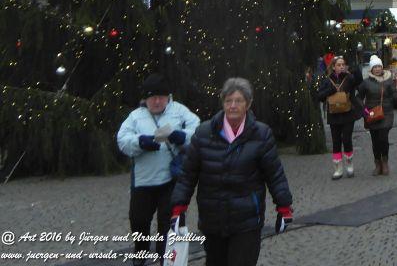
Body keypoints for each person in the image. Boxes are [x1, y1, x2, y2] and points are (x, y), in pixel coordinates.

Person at [170, 78, 293, 266]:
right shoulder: (204, 133)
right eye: (228, 101)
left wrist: (284, 206)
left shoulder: (261, 134)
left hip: (247, 220)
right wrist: (179, 207)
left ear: (248, 104)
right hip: (213, 218)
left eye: (238, 101)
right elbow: (188, 174)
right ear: (222, 103)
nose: (233, 106)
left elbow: (274, 174)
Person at [116, 73, 200, 260]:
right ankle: (141, 254)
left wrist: (182, 136)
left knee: (169, 223)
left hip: (171, 179)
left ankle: (166, 258)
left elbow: (198, 130)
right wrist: (140, 142)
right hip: (143, 181)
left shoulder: (179, 110)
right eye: (152, 97)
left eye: (160, 97)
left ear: (167, 97)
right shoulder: (135, 116)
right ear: (145, 98)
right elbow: (122, 140)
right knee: (138, 221)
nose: (156, 101)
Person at [317, 55, 363, 179]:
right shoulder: (327, 80)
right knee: (336, 141)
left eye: (343, 64)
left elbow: (359, 80)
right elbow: (319, 96)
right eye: (339, 65)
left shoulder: (349, 78)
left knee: (347, 139)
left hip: (348, 113)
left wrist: (354, 66)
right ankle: (338, 168)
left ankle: (349, 164)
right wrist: (329, 91)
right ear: (333, 67)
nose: (341, 66)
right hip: (334, 115)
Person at [357, 55, 397, 176]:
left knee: (383, 137)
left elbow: (394, 94)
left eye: (379, 66)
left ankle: (385, 161)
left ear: (382, 67)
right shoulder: (366, 83)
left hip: (386, 113)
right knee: (375, 140)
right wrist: (365, 111)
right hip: (371, 114)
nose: (377, 69)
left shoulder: (388, 80)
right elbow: (358, 98)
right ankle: (377, 164)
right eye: (374, 67)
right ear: (371, 69)